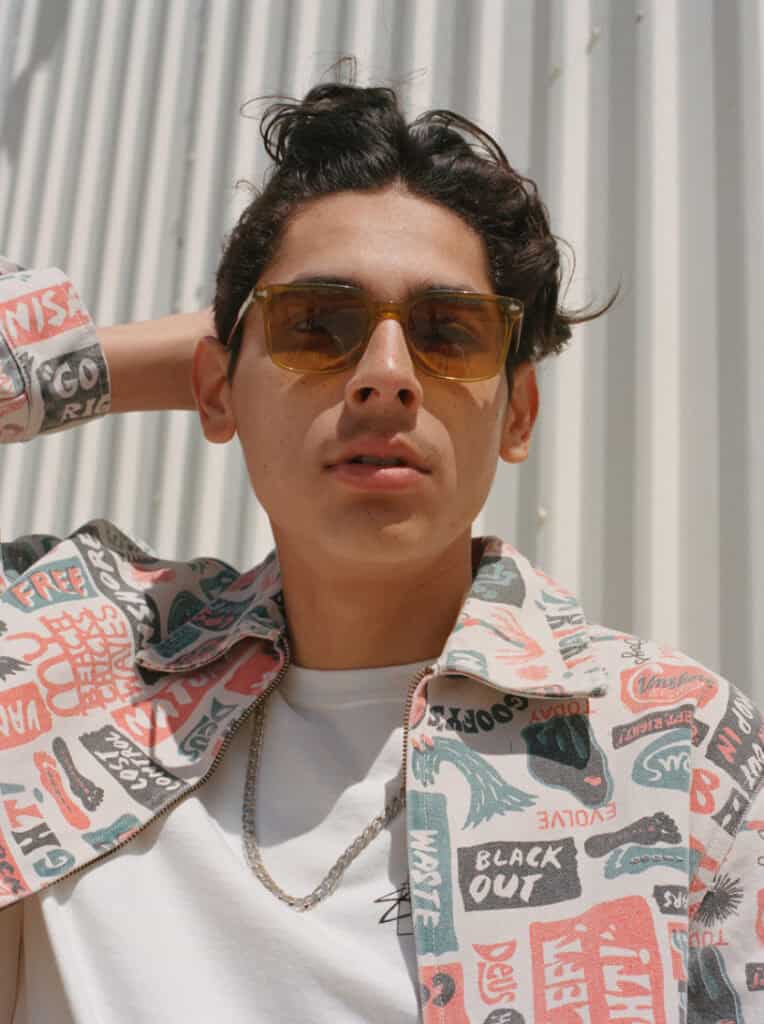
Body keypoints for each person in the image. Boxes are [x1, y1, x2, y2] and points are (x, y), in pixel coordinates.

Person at [0, 74, 761, 1024]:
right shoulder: (58, 652)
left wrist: (268, 340)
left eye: (450, 333)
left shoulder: (675, 749)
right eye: (319, 324)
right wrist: (163, 362)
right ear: (216, 389)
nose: (387, 379)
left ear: (517, 411)